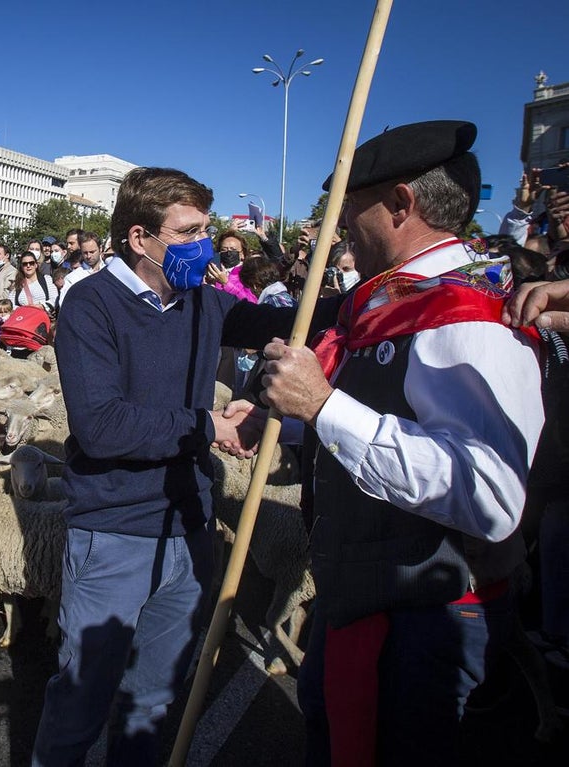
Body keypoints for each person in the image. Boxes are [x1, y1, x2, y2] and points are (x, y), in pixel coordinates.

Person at [256, 121, 545, 766]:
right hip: (361, 600)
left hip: (425, 623)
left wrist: (325, 406)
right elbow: (382, 410)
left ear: (401, 204)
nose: (339, 227)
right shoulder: (386, 302)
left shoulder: (467, 315)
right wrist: (285, 414)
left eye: (348, 207)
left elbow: (492, 497)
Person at [31, 166, 291, 766]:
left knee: (151, 702)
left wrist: (378, 294)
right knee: (80, 702)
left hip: (189, 527)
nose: (204, 243)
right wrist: (208, 426)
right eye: (188, 232)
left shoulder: (205, 302)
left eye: (207, 228)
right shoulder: (91, 304)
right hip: (115, 532)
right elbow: (101, 426)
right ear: (139, 238)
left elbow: (287, 322)